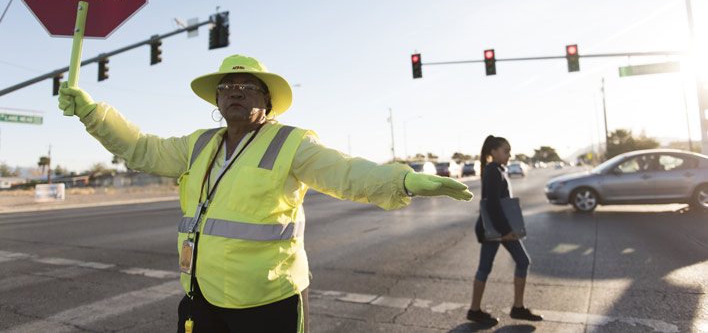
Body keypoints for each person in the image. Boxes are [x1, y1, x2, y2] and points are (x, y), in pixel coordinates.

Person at [58, 54, 473, 333]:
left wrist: (401, 180)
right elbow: (141, 148)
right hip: (202, 296)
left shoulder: (292, 143)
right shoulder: (198, 144)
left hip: (268, 302)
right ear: (217, 99)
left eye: (248, 87)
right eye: (227, 86)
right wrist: (93, 114)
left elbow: (346, 172)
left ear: (267, 101)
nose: (235, 91)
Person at [467, 135, 542, 326]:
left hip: (497, 228)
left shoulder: (497, 169)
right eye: (506, 150)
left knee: (518, 262)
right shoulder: (493, 171)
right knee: (492, 267)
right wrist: (505, 231)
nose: (509, 154)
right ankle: (476, 310)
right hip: (495, 229)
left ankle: (516, 307)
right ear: (493, 152)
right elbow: (491, 204)